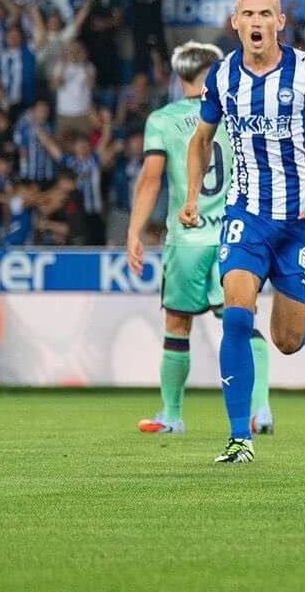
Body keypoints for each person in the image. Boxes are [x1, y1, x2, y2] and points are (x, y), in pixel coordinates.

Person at [182, 0, 305, 465]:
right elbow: (200, 141)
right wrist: (193, 197)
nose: (256, 22)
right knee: (237, 314)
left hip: (300, 222)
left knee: (287, 341)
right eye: (247, 14)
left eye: (265, 14)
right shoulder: (222, 78)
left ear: (280, 21)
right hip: (246, 215)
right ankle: (240, 438)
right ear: (235, 22)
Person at [127, 42, 254, 436]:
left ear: (178, 75)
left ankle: (172, 414)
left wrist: (134, 232)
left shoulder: (163, 119)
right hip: (235, 235)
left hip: (187, 237)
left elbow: (150, 179)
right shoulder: (234, 113)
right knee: (241, 322)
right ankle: (257, 411)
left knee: (177, 323)